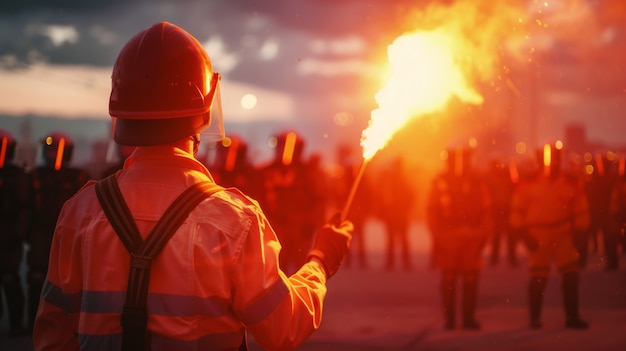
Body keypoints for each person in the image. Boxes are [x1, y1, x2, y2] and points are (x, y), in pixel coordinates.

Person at [33, 22, 353, 351]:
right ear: (205, 107)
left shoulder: (80, 212)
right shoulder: (234, 221)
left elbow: (52, 336)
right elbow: (282, 328)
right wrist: (320, 262)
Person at [509, 142, 590, 329]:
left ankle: (572, 317)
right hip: (538, 235)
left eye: (555, 157)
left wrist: (580, 231)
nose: (551, 163)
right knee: (538, 278)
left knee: (571, 276)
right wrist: (522, 232)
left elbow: (580, 209)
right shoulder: (528, 183)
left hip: (563, 234)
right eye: (547, 157)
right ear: (539, 159)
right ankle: (534, 319)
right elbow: (517, 210)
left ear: (561, 159)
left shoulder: (570, 182)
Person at [27, 131, 90, 331]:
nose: (53, 153)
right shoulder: (34, 176)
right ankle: (31, 322)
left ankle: (67, 325)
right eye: (50, 148)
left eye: (58, 149)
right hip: (40, 232)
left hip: (69, 236)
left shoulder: (78, 177)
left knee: (67, 281)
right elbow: (25, 208)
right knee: (36, 276)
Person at [426, 145, 492, 330]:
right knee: (449, 279)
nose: (459, 162)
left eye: (463, 157)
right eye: (455, 157)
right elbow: (432, 211)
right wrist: (437, 236)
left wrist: (484, 234)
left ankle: (468, 318)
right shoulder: (440, 182)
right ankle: (450, 320)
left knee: (471, 279)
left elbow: (485, 210)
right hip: (448, 238)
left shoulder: (477, 181)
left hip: (472, 238)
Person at [259, 130, 321, 276]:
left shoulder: (308, 173)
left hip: (299, 227)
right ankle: (281, 297)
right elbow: (259, 198)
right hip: (276, 226)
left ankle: (299, 296)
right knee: (278, 268)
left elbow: (317, 199)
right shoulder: (266, 171)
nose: (284, 149)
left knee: (301, 268)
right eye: (281, 145)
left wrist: (311, 224)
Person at [0, 129, 30, 336]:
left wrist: (18, 235)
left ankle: (17, 324)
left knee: (10, 278)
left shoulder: (17, 177)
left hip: (9, 234)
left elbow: (25, 208)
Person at [378, 155, 416, 271]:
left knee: (395, 239)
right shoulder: (403, 178)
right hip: (398, 214)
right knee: (400, 239)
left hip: (395, 214)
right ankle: (403, 262)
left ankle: (393, 262)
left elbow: (386, 197)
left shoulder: (394, 179)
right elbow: (412, 195)